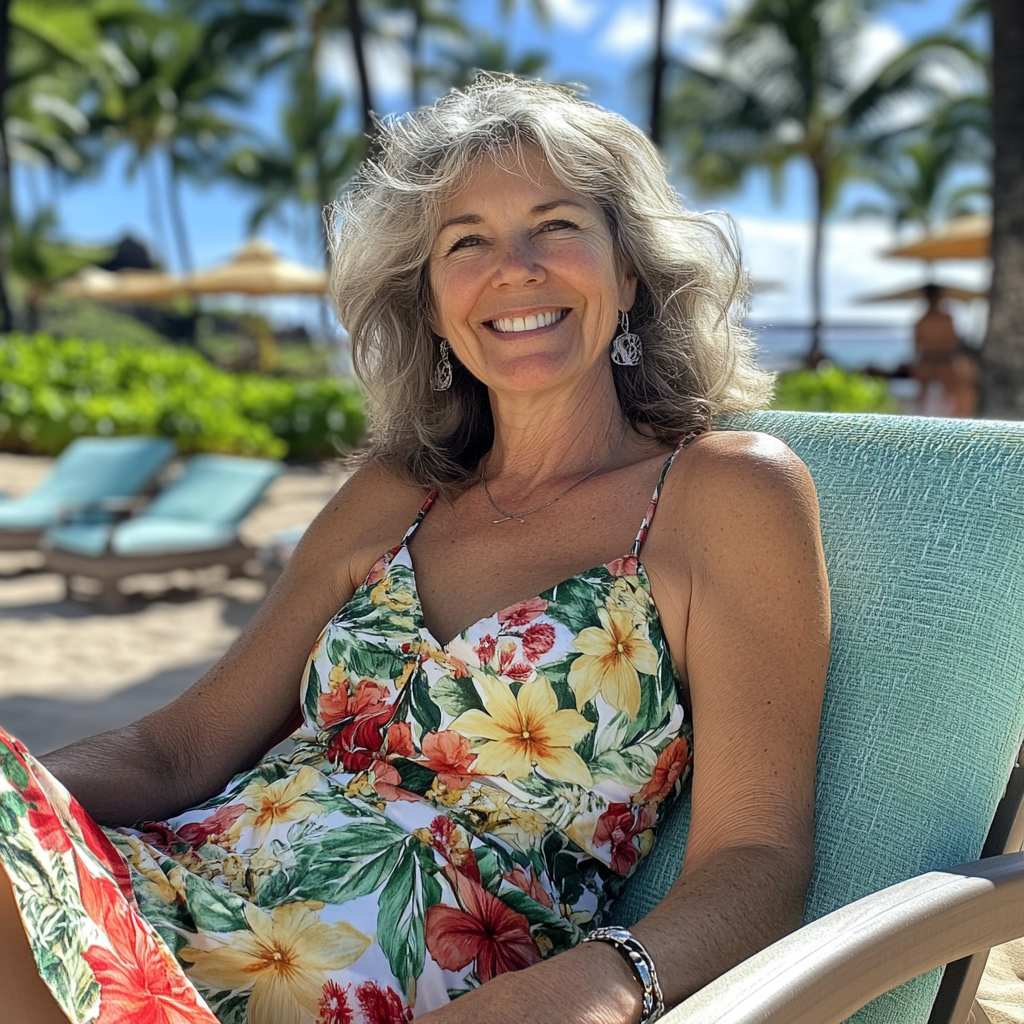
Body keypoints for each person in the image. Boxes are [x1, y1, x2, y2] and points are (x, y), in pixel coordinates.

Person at [0, 75, 830, 1024]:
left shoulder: (721, 494)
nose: (514, 268)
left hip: (380, 981)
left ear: (630, 269)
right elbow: (174, 748)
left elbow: (759, 855)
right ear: (432, 305)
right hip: (167, 893)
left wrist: (599, 985)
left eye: (556, 224)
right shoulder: (401, 492)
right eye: (466, 242)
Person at [911, 284, 979, 417]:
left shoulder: (921, 321)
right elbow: (953, 343)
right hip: (943, 362)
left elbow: (917, 345)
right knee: (951, 398)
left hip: (928, 361)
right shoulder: (945, 319)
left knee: (925, 401)